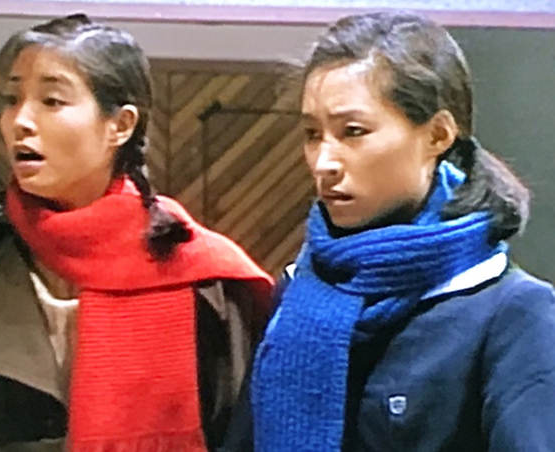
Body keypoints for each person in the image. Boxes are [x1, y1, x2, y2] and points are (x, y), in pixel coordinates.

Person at [0, 14, 273, 452]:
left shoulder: (206, 278)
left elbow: (241, 435)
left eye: (51, 101)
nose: (21, 120)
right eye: (12, 99)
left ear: (121, 125)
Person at [221, 11, 555, 452]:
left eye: (353, 132)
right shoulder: (299, 288)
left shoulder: (513, 312)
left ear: (438, 134)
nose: (324, 162)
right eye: (312, 134)